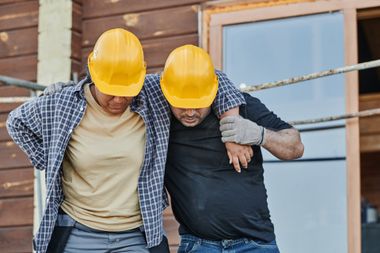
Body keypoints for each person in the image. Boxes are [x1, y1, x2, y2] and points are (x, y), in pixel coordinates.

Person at [6, 29, 245, 253]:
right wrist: (52, 161)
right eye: (111, 89)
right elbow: (16, 122)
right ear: (94, 74)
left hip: (136, 234)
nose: (120, 98)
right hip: (78, 232)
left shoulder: (152, 94)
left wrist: (232, 129)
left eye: (127, 89)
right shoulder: (63, 103)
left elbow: (213, 78)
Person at [161, 45, 304, 252]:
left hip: (254, 244)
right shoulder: (162, 120)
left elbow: (296, 146)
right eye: (182, 105)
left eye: (199, 103)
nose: (190, 112)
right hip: (199, 244)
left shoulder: (243, 106)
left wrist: (259, 134)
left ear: (212, 91)